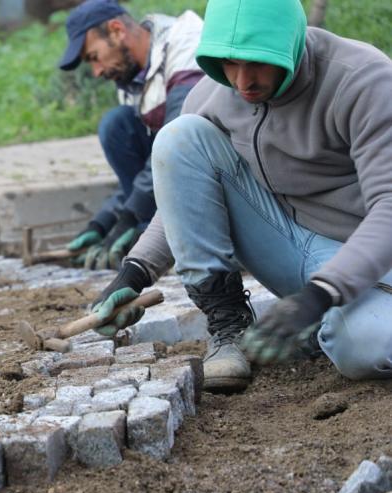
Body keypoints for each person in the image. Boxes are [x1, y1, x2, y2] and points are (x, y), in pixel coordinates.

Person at [90, 0, 392, 393]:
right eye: (229, 64)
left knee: (365, 348)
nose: (242, 81)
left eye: (258, 63)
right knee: (178, 138)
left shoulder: (362, 80)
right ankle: (230, 325)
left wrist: (320, 296)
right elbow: (183, 189)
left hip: (367, 259)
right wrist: (135, 271)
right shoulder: (216, 91)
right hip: (286, 245)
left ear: (291, 45)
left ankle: (328, 325)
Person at [58, 0, 204, 270]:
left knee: (124, 126)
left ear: (116, 30)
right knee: (117, 125)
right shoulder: (130, 76)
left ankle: (161, 235)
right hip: (178, 165)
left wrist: (131, 214)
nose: (97, 71)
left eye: (93, 57)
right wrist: (103, 221)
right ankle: (151, 231)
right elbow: (146, 167)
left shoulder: (185, 46)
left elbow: (176, 145)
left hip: (213, 167)